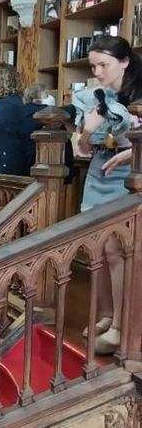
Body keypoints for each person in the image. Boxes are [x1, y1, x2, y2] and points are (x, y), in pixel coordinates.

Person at [74, 35, 142, 355]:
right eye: (93, 66)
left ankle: (119, 326)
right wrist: (88, 129)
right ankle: (105, 315)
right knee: (96, 249)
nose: (98, 72)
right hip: (98, 175)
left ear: (124, 62)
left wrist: (128, 156)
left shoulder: (139, 95)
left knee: (116, 250)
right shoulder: (93, 97)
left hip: (128, 179)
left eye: (104, 65)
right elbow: (84, 149)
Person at [21, 82, 75, 181]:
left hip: (23, 167)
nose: (50, 97)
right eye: (46, 94)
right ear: (36, 97)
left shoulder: (20, 112)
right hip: (49, 165)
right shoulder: (52, 117)